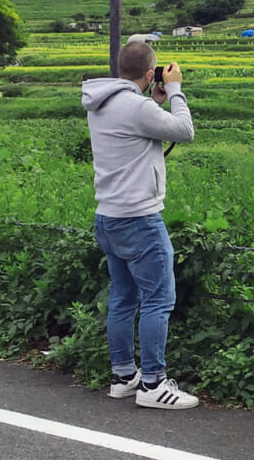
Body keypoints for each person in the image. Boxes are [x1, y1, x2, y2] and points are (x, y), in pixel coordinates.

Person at [81, 41, 198, 410]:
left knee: (123, 298)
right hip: (140, 219)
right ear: (150, 74)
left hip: (109, 217)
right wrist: (175, 91)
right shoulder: (137, 106)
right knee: (158, 300)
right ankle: (153, 384)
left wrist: (155, 101)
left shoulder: (102, 102)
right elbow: (184, 130)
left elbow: (135, 123)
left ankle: (123, 376)